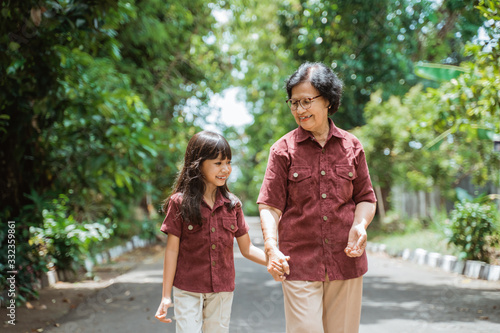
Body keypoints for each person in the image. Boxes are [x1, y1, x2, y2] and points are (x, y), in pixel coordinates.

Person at [257, 62, 377, 333]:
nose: (300, 110)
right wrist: (271, 246)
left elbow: (366, 198)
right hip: (298, 263)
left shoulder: (352, 146)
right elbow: (270, 206)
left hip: (346, 262)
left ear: (328, 101)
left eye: (307, 101)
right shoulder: (282, 150)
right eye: (294, 103)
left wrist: (360, 225)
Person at [155, 130, 284, 333]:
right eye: (218, 163)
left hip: (222, 291)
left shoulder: (233, 205)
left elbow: (247, 248)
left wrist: (274, 261)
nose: (225, 169)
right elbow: (172, 251)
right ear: (198, 164)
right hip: (188, 288)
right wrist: (165, 296)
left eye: (228, 162)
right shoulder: (179, 203)